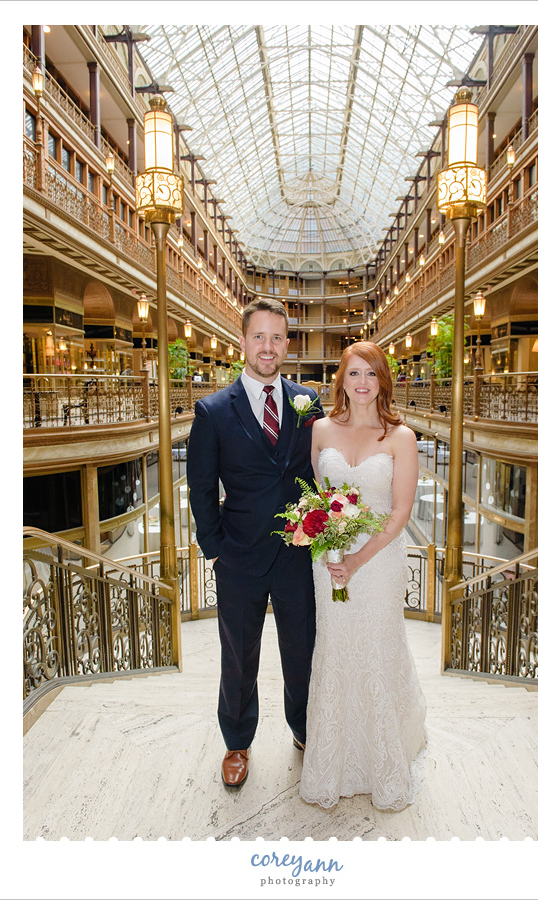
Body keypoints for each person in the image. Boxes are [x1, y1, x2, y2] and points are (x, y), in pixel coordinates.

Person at [187, 298, 323, 789]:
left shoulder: (308, 401)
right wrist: (215, 548)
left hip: (296, 555)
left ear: (287, 344)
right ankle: (237, 742)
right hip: (239, 557)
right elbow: (201, 487)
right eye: (259, 337)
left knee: (302, 650)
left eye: (277, 337)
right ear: (242, 342)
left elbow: (318, 472)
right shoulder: (213, 411)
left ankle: (305, 730)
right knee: (238, 656)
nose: (268, 347)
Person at [299, 341, 427, 810]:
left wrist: (357, 560)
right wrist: (329, 545)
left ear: (383, 381)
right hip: (329, 561)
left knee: (375, 646)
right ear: (341, 380)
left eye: (371, 373)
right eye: (354, 373)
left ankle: (382, 759)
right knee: (335, 648)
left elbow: (399, 513)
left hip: (378, 563)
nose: (362, 382)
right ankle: (332, 758)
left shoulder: (401, 437)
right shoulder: (320, 430)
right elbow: (318, 498)